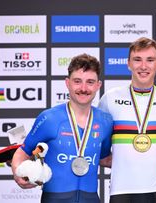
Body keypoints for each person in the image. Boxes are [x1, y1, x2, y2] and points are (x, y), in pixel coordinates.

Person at [11, 53, 113, 203]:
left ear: (98, 85)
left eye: (90, 82)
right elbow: (23, 152)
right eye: (77, 81)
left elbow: (104, 158)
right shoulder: (49, 118)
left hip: (90, 198)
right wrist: (17, 172)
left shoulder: (105, 121)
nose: (83, 88)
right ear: (67, 83)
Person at [98, 37, 156, 203]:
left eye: (150, 60)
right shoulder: (110, 98)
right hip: (120, 192)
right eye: (137, 60)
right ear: (128, 63)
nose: (143, 66)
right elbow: (95, 142)